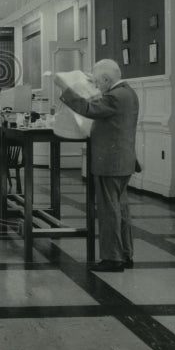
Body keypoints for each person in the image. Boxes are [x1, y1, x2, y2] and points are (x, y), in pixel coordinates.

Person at [54, 58, 139, 272]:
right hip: (123, 162)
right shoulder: (128, 93)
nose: (96, 85)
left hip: (110, 163)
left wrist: (65, 88)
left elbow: (88, 108)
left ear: (108, 78)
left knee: (109, 211)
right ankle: (125, 254)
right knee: (121, 210)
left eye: (97, 80)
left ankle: (112, 259)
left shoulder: (115, 97)